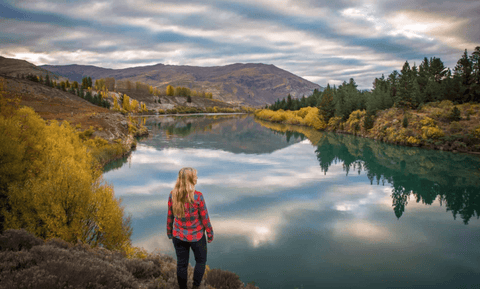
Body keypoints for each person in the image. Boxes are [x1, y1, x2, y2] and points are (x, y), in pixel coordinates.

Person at [167, 167, 214, 289]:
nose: (197, 178)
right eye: (195, 176)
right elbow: (205, 218)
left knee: (181, 264)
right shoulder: (198, 197)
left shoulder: (173, 195)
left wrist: (169, 232)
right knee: (201, 261)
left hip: (178, 235)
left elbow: (170, 216)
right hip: (196, 237)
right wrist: (210, 233)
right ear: (190, 179)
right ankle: (195, 287)